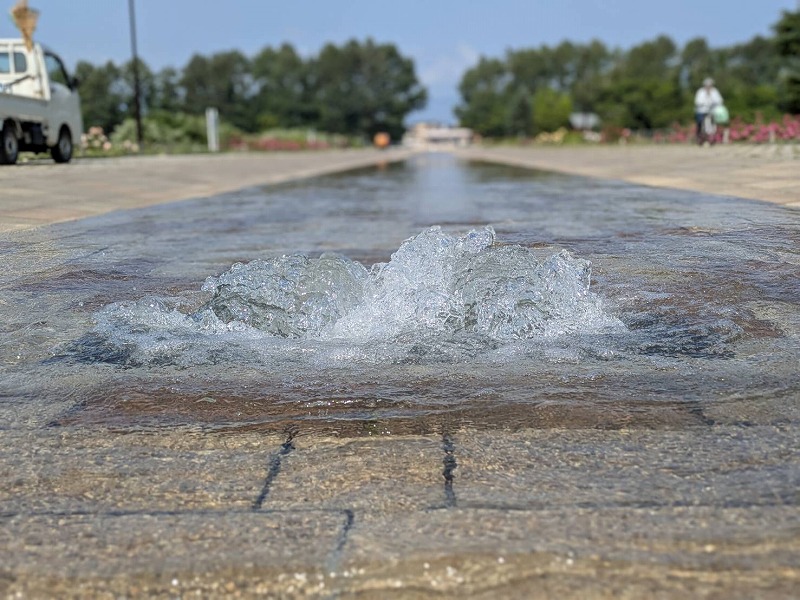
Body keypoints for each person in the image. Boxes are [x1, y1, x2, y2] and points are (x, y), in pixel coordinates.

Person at [694, 78, 723, 142]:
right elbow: (697, 101)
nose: (708, 87)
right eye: (707, 85)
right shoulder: (700, 91)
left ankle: (711, 136)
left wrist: (712, 100)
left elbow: (719, 100)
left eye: (710, 85)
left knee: (713, 123)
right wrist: (704, 103)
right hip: (701, 111)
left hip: (711, 111)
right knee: (699, 123)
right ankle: (699, 136)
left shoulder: (715, 91)